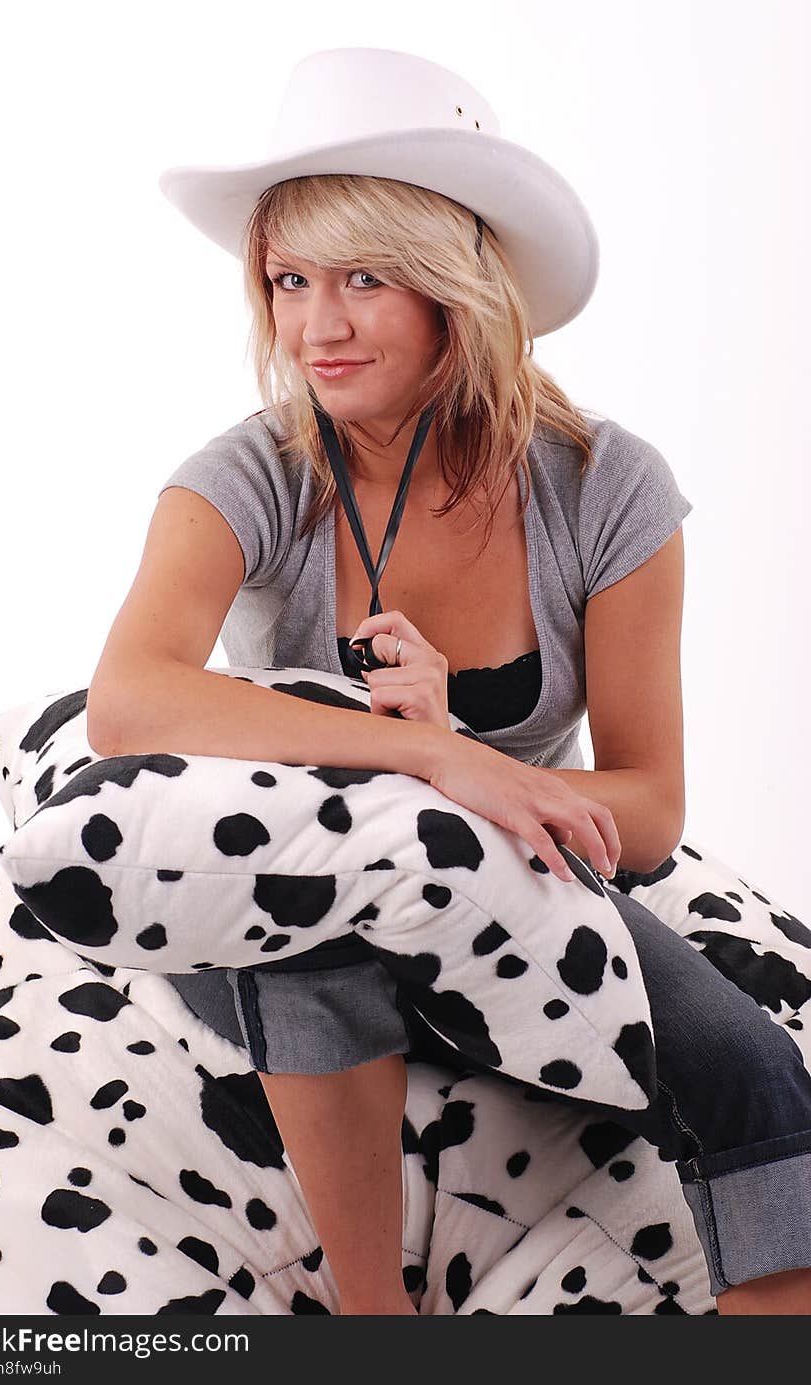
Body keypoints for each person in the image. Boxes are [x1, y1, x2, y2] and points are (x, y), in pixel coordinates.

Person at [87, 48, 811, 1314]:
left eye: (363, 277)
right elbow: (127, 698)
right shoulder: (250, 472)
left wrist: (477, 781)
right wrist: (434, 752)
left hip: (508, 887)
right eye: (290, 280)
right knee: (299, 953)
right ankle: (377, 1319)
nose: (317, 325)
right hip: (312, 882)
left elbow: (649, 810)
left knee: (749, 1067)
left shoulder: (605, 487)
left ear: (453, 288)